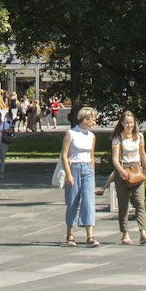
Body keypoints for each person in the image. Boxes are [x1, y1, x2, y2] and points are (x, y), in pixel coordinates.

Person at [111, 110, 146, 244]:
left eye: (132, 123)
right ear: (122, 123)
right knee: (123, 204)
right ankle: (125, 234)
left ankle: (143, 232)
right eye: (127, 123)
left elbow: (142, 155)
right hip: (123, 169)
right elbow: (115, 158)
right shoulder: (118, 138)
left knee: (140, 202)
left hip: (136, 169)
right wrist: (120, 171)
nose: (130, 125)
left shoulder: (139, 137)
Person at [60, 105, 100, 247]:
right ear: (84, 119)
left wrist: (92, 172)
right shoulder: (71, 133)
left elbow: (92, 155)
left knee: (89, 201)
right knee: (72, 201)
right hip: (74, 167)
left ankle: (90, 235)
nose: (94, 122)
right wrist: (68, 174)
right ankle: (70, 233)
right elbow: (65, 155)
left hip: (87, 168)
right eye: (92, 119)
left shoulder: (91, 136)